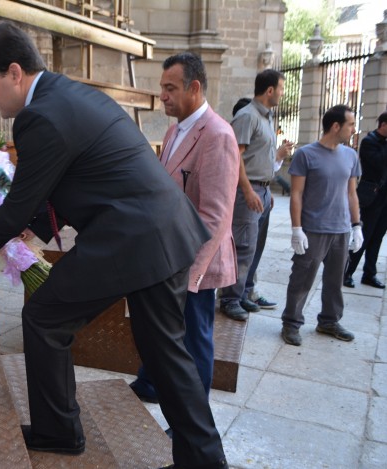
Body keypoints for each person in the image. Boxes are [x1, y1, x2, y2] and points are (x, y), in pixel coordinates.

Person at [0, 22, 227, 468]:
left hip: (132, 237)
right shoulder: (66, 95)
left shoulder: (39, 115)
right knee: (165, 354)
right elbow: (81, 178)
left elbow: (24, 198)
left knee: (45, 315)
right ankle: (204, 461)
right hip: (159, 230)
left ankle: (58, 430)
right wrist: (30, 226)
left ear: (14, 72)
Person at [129, 53, 239, 403]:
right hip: (168, 254)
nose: (162, 95)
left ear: (194, 88)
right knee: (160, 328)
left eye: (170, 88)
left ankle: (192, 424)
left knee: (194, 342)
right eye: (162, 87)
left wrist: (191, 276)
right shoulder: (177, 128)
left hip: (195, 261)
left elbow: (216, 216)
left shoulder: (218, 135)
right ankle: (150, 382)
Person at [281, 105, 362, 347]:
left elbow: (351, 193)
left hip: (341, 229)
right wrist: (297, 229)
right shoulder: (306, 154)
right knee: (302, 278)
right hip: (314, 229)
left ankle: (329, 320)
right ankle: (291, 323)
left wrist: (356, 225)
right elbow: (296, 194)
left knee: (335, 280)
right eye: (350, 124)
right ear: (336, 126)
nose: (353, 129)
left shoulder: (350, 155)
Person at [219, 70, 294, 321]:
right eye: (281, 88)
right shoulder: (247, 116)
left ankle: (242, 293)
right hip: (246, 190)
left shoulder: (267, 118)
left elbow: (260, 157)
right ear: (270, 90)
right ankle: (229, 299)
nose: (283, 94)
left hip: (261, 189)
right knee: (243, 246)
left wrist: (265, 189)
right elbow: (235, 156)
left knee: (255, 247)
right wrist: (250, 190)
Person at [344, 112, 387, 289]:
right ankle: (346, 272)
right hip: (371, 196)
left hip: (385, 198)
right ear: (383, 124)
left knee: (377, 237)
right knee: (363, 236)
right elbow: (378, 163)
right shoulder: (369, 141)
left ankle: (369, 274)